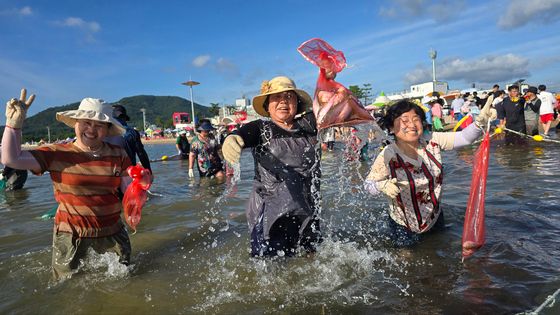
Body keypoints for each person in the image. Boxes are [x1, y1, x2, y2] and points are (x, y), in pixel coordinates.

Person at [1, 91, 144, 280]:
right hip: (71, 236)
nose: (91, 129)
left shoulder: (119, 154)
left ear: (107, 129)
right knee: (66, 286)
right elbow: (12, 159)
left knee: (123, 282)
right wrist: (14, 125)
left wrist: (141, 185)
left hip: (113, 233)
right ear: (76, 123)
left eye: (99, 125)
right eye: (86, 122)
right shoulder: (57, 153)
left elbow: (129, 192)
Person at [363, 100, 489, 246]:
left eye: (416, 119)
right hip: (403, 224)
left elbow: (465, 138)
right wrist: (382, 186)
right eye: (404, 121)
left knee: (438, 250)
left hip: (434, 217)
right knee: (407, 259)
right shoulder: (388, 154)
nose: (411, 125)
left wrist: (480, 123)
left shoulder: (432, 140)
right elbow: (368, 185)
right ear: (391, 128)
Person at [222, 76, 322, 257]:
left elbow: (331, 105)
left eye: (289, 97)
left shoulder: (309, 125)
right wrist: (232, 138)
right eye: (276, 97)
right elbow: (244, 133)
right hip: (270, 209)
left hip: (307, 206)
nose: (283, 102)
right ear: (267, 106)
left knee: (311, 257)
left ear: (297, 104)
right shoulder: (261, 129)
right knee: (270, 263)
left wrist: (327, 78)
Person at [106, 104, 151, 172]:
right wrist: (149, 171)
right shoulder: (132, 132)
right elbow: (141, 154)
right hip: (129, 173)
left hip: (108, 173)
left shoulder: (103, 131)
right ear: (123, 117)